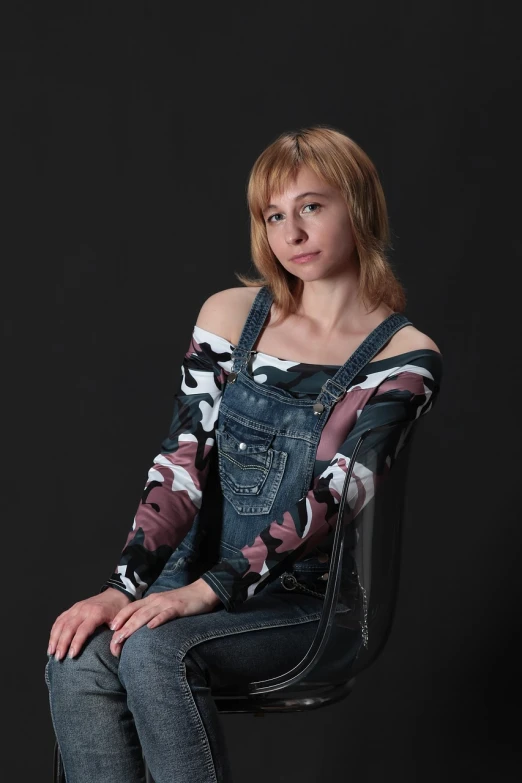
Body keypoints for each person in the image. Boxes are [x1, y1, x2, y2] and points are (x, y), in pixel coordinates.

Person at [46, 125, 443, 783]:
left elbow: (339, 495)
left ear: (359, 205)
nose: (292, 232)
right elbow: (180, 460)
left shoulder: (406, 358)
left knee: (151, 653)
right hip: (193, 583)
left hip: (306, 607)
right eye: (275, 215)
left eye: (312, 206)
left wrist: (210, 591)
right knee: (80, 653)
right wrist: (126, 586)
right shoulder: (231, 317)